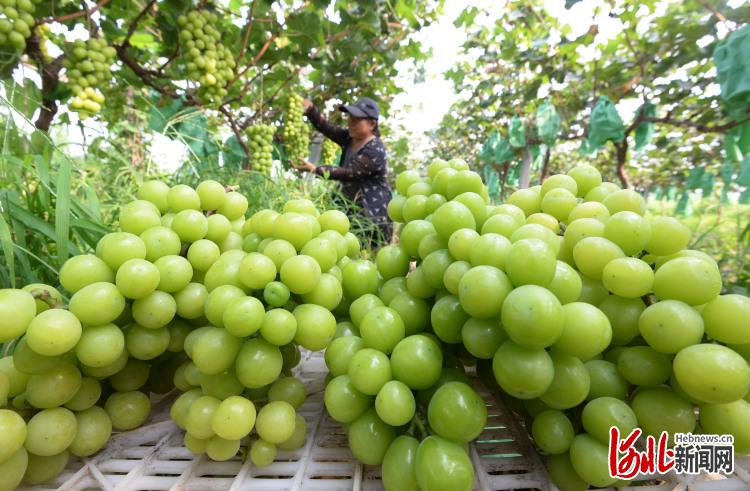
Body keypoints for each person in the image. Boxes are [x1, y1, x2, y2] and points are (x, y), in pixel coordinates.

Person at [292, 97, 393, 250]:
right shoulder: (349, 138)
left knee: (367, 251)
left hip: (372, 212)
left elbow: (351, 172)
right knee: (342, 245)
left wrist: (316, 170)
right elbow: (327, 128)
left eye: (356, 120)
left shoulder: (375, 148)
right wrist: (311, 110)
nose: (350, 123)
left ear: (372, 124)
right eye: (350, 118)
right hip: (350, 204)